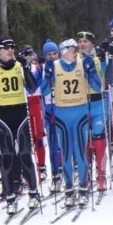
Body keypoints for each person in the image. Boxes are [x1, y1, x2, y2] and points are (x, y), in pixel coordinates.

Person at [0, 36, 40, 214]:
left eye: (12, 47)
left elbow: (33, 87)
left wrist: (26, 68)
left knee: (26, 154)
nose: (10, 50)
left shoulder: (19, 66)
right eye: (6, 48)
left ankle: (34, 194)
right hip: (3, 115)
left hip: (20, 113)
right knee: (7, 156)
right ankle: (10, 196)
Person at [41, 39, 101, 207]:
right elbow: (44, 90)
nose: (76, 51)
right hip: (61, 115)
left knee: (81, 153)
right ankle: (69, 190)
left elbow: (98, 87)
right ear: (64, 50)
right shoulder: (55, 66)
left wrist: (92, 71)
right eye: (73, 49)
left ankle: (83, 188)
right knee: (66, 154)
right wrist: (47, 74)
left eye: (76, 49)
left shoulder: (82, 63)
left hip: (80, 113)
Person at [76, 31, 109, 193]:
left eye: (86, 41)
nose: (82, 44)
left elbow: (107, 77)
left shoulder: (100, 57)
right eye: (80, 41)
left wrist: (106, 59)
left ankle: (101, 174)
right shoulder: (75, 60)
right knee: (84, 139)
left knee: (98, 137)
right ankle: (86, 174)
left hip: (98, 102)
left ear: (92, 44)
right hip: (82, 103)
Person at [18, 45, 47, 182]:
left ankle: (41, 166)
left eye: (31, 54)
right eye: (27, 55)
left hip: (35, 103)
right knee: (24, 140)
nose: (30, 57)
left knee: (38, 138)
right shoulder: (19, 68)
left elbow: (35, 85)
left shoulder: (37, 68)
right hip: (23, 105)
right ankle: (26, 169)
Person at [41, 40, 62, 193]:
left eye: (55, 53)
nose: (53, 56)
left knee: (64, 143)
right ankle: (56, 175)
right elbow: (42, 91)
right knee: (53, 143)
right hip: (49, 108)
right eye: (49, 54)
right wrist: (47, 77)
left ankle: (68, 171)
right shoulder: (43, 68)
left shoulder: (64, 65)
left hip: (63, 106)